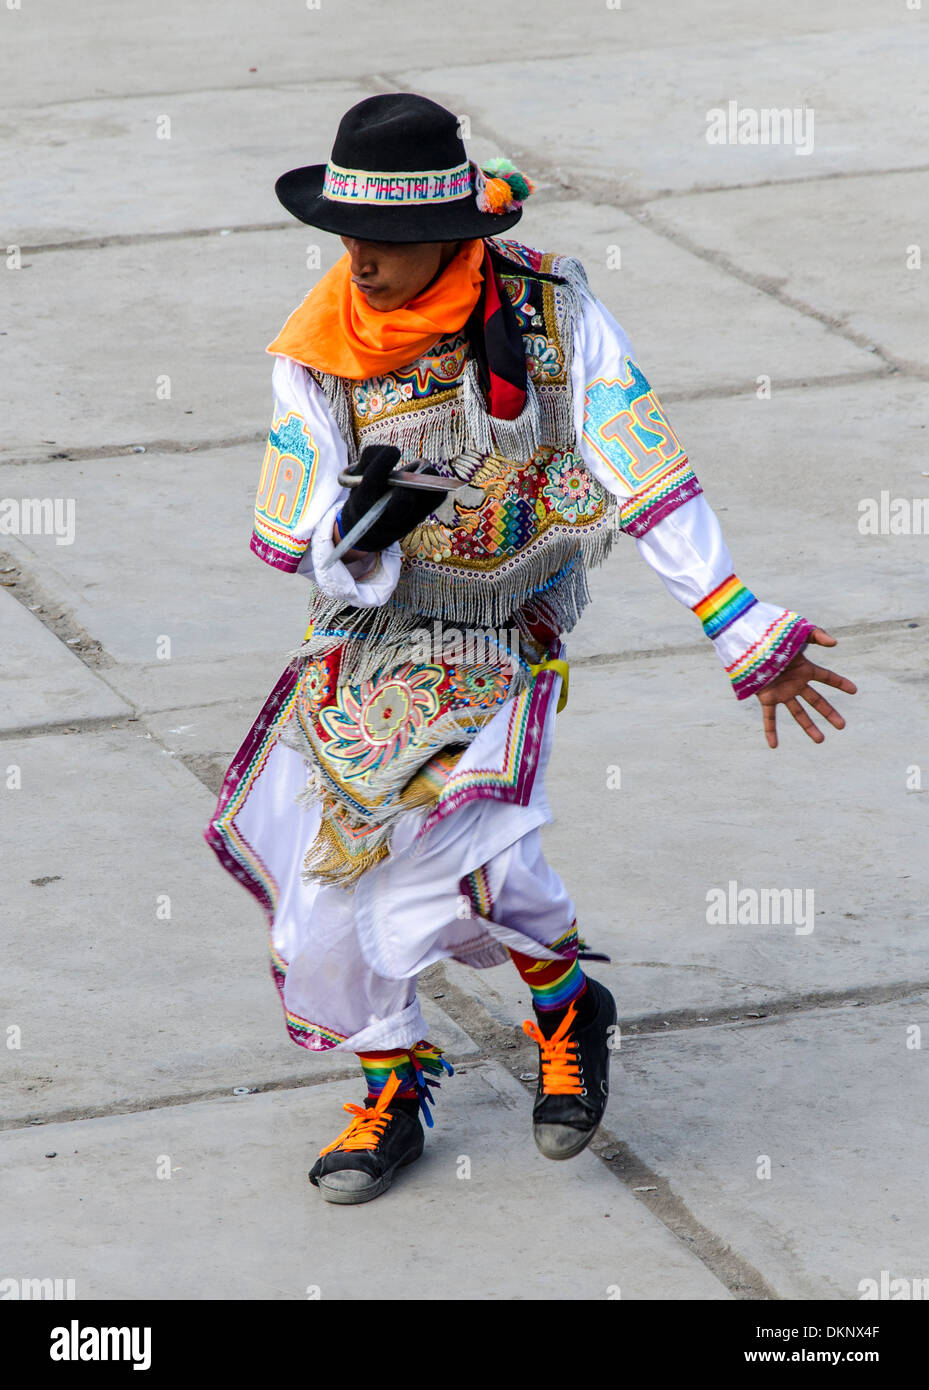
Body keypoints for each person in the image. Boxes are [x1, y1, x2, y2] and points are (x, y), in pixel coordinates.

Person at [205, 93, 856, 1205]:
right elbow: (304, 532)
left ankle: (564, 1010)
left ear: (453, 238)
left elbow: (637, 468)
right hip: (368, 630)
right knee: (333, 874)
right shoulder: (317, 349)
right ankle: (392, 1077)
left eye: (390, 244)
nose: (361, 263)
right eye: (350, 239)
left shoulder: (555, 320)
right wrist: (355, 537)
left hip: (511, 623)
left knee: (486, 857)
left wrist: (738, 621)